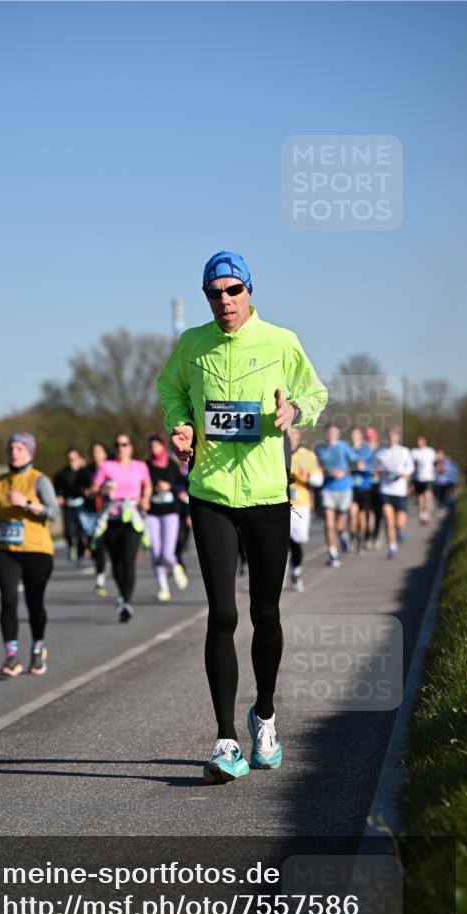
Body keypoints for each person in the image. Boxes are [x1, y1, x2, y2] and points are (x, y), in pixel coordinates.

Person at [158, 250, 327, 783]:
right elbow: (171, 392)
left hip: (266, 493)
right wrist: (180, 426)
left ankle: (266, 716)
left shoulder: (281, 341)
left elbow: (315, 393)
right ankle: (226, 739)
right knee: (222, 615)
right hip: (209, 492)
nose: (224, 301)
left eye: (233, 291)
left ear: (250, 291)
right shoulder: (191, 344)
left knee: (267, 614)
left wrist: (294, 411)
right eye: (215, 293)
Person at [0, 433, 58, 676]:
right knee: (8, 600)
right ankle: (11, 657)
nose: (14, 451)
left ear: (30, 452)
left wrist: (26, 503)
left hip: (37, 550)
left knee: (34, 603)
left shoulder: (39, 480)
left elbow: (53, 512)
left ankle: (38, 649)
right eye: (11, 447)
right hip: (6, 551)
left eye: (20, 448)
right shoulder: (0, 482)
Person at [91, 434, 151, 622]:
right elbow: (93, 489)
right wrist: (103, 491)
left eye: (124, 444)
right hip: (112, 517)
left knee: (128, 560)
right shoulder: (106, 467)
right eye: (117, 445)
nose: (120, 448)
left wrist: (145, 498)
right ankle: (122, 596)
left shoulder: (140, 466)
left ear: (130, 447)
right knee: (116, 563)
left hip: (132, 518)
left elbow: (147, 485)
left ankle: (126, 601)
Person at [145, 433, 189, 601]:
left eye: (156, 445)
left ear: (163, 446)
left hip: (170, 512)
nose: (153, 449)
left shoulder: (171, 466)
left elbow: (183, 485)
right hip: (152, 513)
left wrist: (169, 486)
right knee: (155, 553)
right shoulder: (146, 466)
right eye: (151, 446)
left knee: (166, 553)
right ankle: (163, 588)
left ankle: (176, 567)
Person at [288, 427, 323, 591]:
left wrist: (307, 475)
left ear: (299, 437)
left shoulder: (307, 456)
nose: (291, 438)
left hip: (300, 504)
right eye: (288, 434)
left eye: (294, 435)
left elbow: (318, 480)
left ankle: (296, 571)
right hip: (278, 503)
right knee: (279, 541)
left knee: (298, 540)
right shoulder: (275, 453)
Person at [314, 425, 355, 567]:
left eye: (334, 432)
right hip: (328, 489)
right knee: (329, 525)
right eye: (328, 432)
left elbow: (355, 463)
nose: (331, 434)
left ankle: (343, 535)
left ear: (338, 434)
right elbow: (316, 466)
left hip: (344, 488)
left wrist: (343, 472)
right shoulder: (320, 449)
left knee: (339, 525)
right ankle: (333, 554)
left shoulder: (344, 447)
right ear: (325, 434)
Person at [374, 427, 414, 558]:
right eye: (389, 435)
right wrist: (377, 472)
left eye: (394, 435)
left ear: (398, 437)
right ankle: (392, 547)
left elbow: (411, 467)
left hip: (400, 491)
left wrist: (404, 474)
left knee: (399, 523)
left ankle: (400, 530)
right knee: (388, 520)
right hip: (385, 490)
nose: (391, 438)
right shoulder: (380, 452)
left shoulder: (404, 451)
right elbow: (375, 468)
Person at [76, 441, 109, 596]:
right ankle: (100, 576)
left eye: (99, 451)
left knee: (104, 545)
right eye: (93, 451)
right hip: (90, 513)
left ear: (105, 453)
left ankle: (101, 579)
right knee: (96, 546)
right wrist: (85, 491)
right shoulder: (86, 471)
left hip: (109, 512)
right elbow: (76, 488)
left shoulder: (113, 468)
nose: (96, 454)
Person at [53, 448, 87, 563]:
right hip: (68, 506)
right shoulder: (62, 474)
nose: (72, 461)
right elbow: (57, 488)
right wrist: (59, 496)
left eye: (74, 458)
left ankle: (81, 550)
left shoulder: (84, 473)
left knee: (81, 532)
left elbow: (91, 485)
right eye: (70, 459)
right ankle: (71, 547)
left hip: (82, 506)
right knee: (68, 532)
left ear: (79, 459)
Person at [348, 426, 374, 552]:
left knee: (362, 516)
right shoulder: (347, 449)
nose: (354, 437)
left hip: (364, 487)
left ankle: (361, 537)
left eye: (356, 435)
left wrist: (365, 466)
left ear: (360, 436)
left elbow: (373, 466)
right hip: (351, 487)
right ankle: (353, 537)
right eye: (352, 435)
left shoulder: (366, 449)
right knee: (353, 514)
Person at [410, 434, 436, 525]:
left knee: (428, 496)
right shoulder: (414, 452)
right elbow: (410, 464)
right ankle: (421, 514)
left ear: (424, 441)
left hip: (428, 477)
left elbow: (434, 463)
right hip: (418, 478)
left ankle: (427, 513)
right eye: (418, 441)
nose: (419, 442)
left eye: (421, 441)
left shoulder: (430, 451)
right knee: (420, 498)